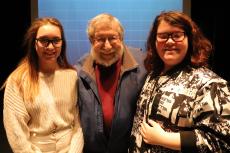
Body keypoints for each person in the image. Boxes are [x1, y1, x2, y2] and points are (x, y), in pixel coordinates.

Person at [129, 11, 230, 153]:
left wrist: (164, 138)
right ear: (155, 41)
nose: (169, 41)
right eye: (163, 36)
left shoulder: (210, 83)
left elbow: (221, 141)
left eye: (177, 35)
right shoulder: (153, 75)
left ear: (190, 39)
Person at [2, 17, 84, 153]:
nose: (50, 46)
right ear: (35, 43)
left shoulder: (72, 76)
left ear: (62, 43)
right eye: (44, 40)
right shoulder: (18, 80)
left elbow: (78, 124)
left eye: (56, 40)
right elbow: (15, 129)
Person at [75, 13, 147, 153]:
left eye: (112, 38)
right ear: (91, 40)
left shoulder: (143, 65)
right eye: (100, 39)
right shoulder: (79, 71)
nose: (107, 46)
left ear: (121, 38)